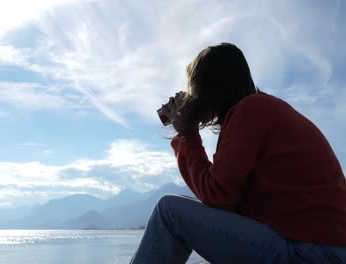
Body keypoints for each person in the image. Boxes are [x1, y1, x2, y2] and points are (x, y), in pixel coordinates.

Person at [130, 43, 346, 264]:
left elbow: (217, 195)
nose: (194, 97)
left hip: (313, 252)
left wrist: (188, 132)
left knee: (168, 211)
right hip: (322, 248)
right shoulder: (263, 109)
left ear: (209, 87)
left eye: (195, 90)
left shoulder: (250, 110)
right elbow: (229, 203)